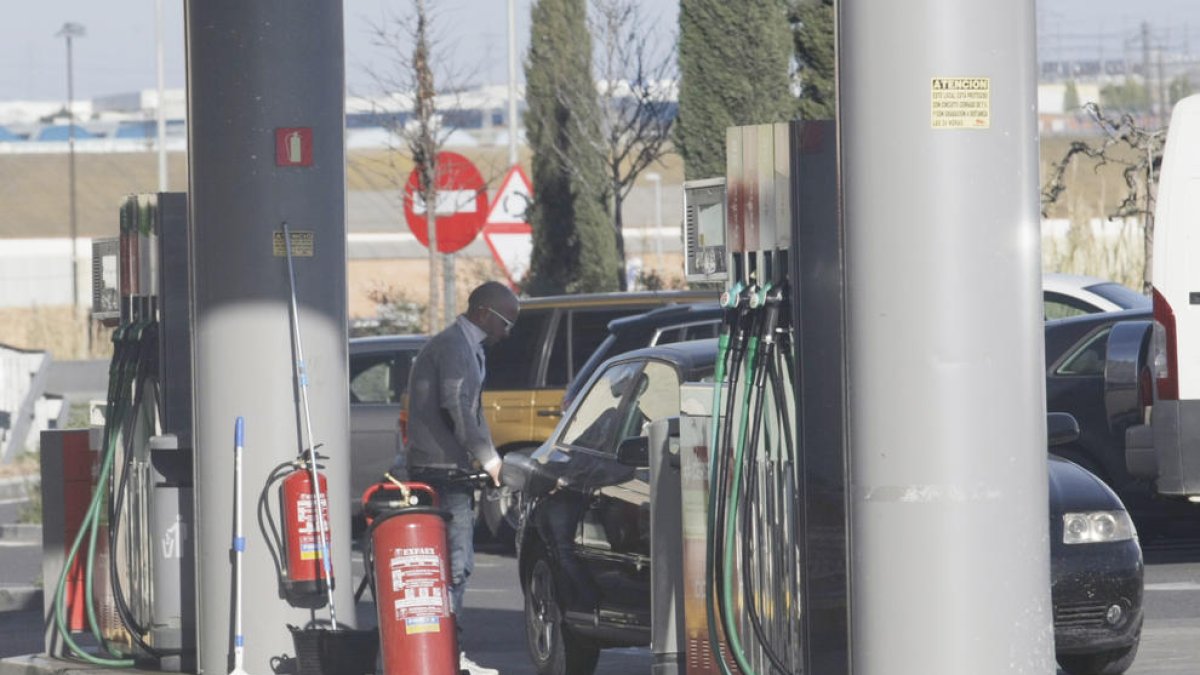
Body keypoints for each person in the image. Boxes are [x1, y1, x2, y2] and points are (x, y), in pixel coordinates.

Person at [397, 280, 518, 675]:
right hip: (441, 471)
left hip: (448, 469)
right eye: (506, 322)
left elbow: (470, 411)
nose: (507, 333)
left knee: (448, 564)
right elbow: (458, 407)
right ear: (483, 312)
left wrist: (486, 456)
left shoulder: (467, 347)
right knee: (455, 564)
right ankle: (449, 652)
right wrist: (489, 459)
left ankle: (445, 650)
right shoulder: (452, 346)